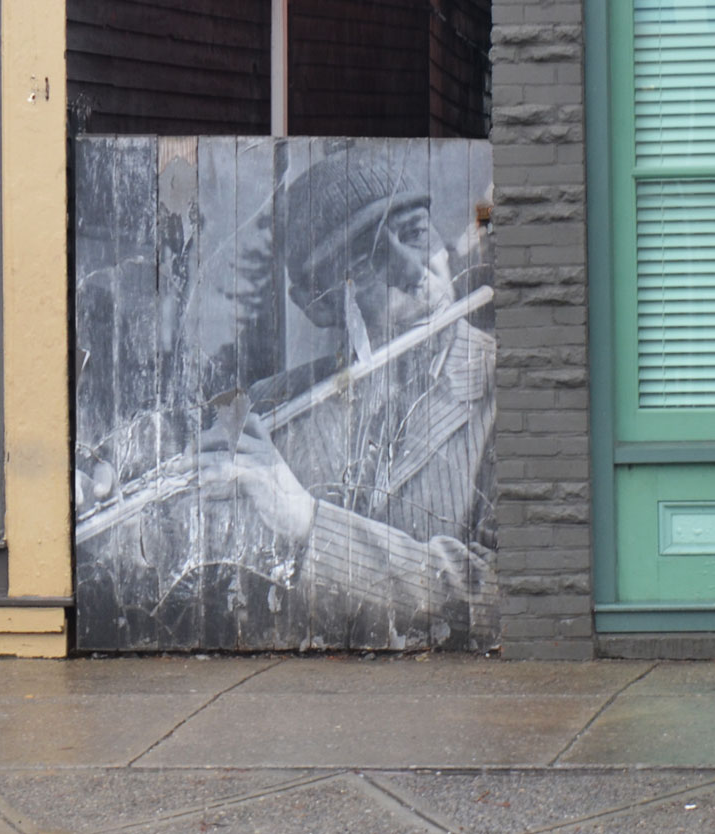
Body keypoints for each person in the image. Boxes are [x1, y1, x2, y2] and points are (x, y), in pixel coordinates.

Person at [196, 148, 496, 649]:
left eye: (416, 235)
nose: (412, 271)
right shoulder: (271, 408)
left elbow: (498, 599)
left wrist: (310, 523)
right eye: (366, 256)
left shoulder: (505, 390)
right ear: (317, 304)